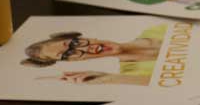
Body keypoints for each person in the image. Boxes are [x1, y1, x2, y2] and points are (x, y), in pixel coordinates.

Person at [21, 25, 166, 86]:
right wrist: (108, 78)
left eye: (74, 43)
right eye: (68, 54)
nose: (85, 48)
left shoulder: (157, 29)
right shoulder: (132, 74)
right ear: (74, 61)